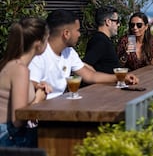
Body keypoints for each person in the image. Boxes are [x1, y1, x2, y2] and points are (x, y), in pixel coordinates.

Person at [29, 9, 139, 99]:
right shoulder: (39, 54)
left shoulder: (69, 52)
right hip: (40, 115)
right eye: (78, 30)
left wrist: (121, 78)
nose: (79, 34)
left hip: (60, 106)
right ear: (66, 33)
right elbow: (29, 83)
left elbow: (90, 76)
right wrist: (38, 86)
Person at [0, 18, 49, 147]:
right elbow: (18, 120)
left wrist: (36, 87)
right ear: (38, 44)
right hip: (9, 138)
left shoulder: (11, 64)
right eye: (47, 40)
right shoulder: (20, 70)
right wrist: (38, 98)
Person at [84, 6, 121, 74]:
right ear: (108, 22)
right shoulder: (100, 41)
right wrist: (97, 77)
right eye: (117, 21)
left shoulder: (102, 39)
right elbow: (84, 65)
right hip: (105, 84)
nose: (118, 25)